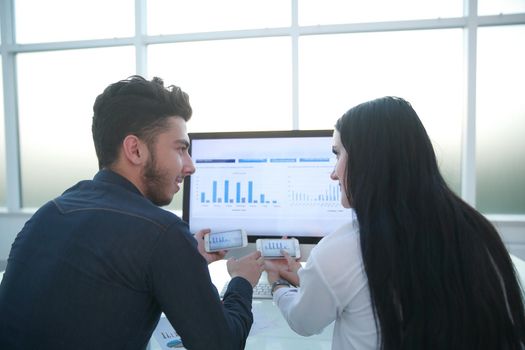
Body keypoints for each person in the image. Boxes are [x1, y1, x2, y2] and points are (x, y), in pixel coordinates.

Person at [0, 75, 264, 350]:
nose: (190, 166)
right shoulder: (162, 232)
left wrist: (187, 259)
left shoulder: (48, 214)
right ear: (135, 150)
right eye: (181, 149)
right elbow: (222, 345)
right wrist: (242, 282)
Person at [265, 96, 525, 349]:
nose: (333, 173)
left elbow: (304, 321)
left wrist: (278, 285)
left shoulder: (342, 250)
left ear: (367, 160)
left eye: (338, 154)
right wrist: (309, 278)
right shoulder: (477, 230)